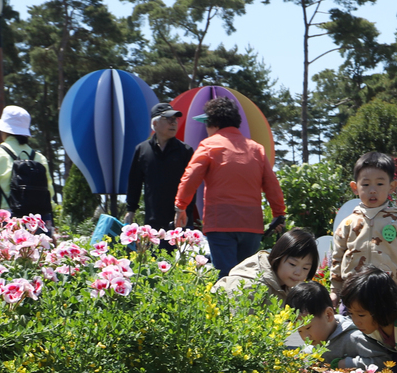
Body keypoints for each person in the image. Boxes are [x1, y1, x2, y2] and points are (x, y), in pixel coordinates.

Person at [174, 97, 286, 277]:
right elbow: (272, 184)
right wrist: (278, 213)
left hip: (221, 223)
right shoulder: (256, 149)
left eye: (207, 125)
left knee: (226, 278)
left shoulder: (209, 145)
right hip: (251, 226)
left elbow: (190, 177)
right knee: (247, 279)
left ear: (214, 123)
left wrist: (180, 207)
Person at [328, 151, 397, 295]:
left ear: (392, 186)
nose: (372, 190)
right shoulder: (348, 224)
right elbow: (337, 256)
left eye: (379, 183)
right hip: (354, 291)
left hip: (390, 291)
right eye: (365, 184)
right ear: (355, 187)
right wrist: (335, 289)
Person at [124, 102, 201, 232]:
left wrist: (184, 211)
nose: (174, 123)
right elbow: (134, 183)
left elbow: (191, 185)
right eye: (169, 119)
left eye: (175, 119)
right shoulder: (142, 150)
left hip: (180, 220)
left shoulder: (185, 151)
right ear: (154, 124)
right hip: (152, 222)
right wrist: (130, 210)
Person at [0, 105, 54, 226]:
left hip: (7, 222)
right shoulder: (39, 158)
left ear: (4, 130)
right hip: (36, 223)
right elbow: (50, 194)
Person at [214, 227, 319, 304]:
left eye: (305, 268)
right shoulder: (252, 286)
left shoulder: (287, 286)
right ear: (278, 257)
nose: (298, 273)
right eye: (292, 264)